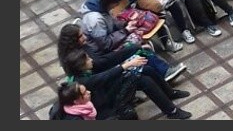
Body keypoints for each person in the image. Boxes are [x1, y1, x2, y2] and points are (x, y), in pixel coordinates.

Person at [61, 49, 192, 120]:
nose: (91, 60)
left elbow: (109, 60)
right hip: (107, 104)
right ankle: (172, 111)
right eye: (88, 59)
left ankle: (169, 93)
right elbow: (105, 77)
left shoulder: (86, 70)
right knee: (143, 80)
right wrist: (126, 66)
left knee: (146, 69)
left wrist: (134, 49)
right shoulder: (82, 81)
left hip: (108, 89)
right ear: (81, 65)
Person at [57, 23, 185, 85]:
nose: (84, 37)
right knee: (139, 54)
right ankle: (165, 73)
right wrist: (125, 55)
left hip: (105, 65)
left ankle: (165, 74)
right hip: (105, 75)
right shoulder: (76, 56)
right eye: (80, 36)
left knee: (136, 48)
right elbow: (100, 64)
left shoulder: (81, 46)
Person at [80, 0, 184, 54]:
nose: (117, 6)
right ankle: (161, 70)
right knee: (137, 44)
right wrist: (125, 31)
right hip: (103, 51)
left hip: (112, 38)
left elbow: (112, 22)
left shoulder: (101, 4)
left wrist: (125, 24)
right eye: (117, 3)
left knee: (138, 34)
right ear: (113, 2)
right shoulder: (95, 20)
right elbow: (105, 44)